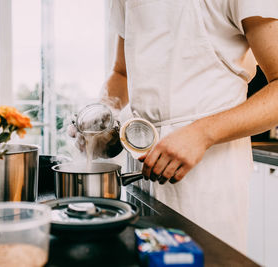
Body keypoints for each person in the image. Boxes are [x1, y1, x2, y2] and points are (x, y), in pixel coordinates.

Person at [72, 0, 278, 253]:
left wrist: (203, 133)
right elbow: (121, 73)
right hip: (140, 166)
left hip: (208, 169)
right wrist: (101, 115)